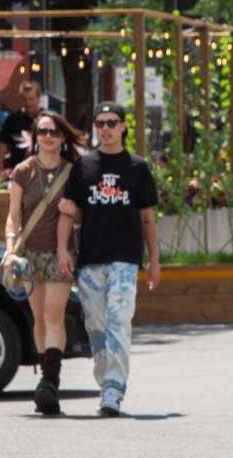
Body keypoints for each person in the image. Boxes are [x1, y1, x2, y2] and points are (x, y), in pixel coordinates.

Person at [56, 102, 160, 417]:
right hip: (90, 259)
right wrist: (62, 248)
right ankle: (106, 381)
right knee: (96, 325)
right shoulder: (84, 166)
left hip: (126, 259)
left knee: (119, 320)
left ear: (123, 127)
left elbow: (148, 217)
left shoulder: (138, 168)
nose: (105, 128)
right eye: (100, 123)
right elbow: (66, 209)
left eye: (112, 122)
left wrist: (154, 260)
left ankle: (114, 388)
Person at [4, 111, 85, 415]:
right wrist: (10, 249)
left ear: (63, 137)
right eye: (42, 131)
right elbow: (13, 215)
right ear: (35, 136)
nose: (48, 136)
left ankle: (50, 381)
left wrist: (73, 212)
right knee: (38, 317)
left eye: (53, 132)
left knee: (54, 315)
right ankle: (45, 376)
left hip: (60, 252)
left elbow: (81, 212)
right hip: (29, 254)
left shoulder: (73, 171)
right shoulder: (23, 171)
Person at [0, 81, 43, 172]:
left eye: (31, 99)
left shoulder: (46, 119)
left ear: (38, 99)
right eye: (25, 99)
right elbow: (3, 144)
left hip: (42, 171)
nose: (28, 103)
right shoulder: (13, 118)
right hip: (18, 171)